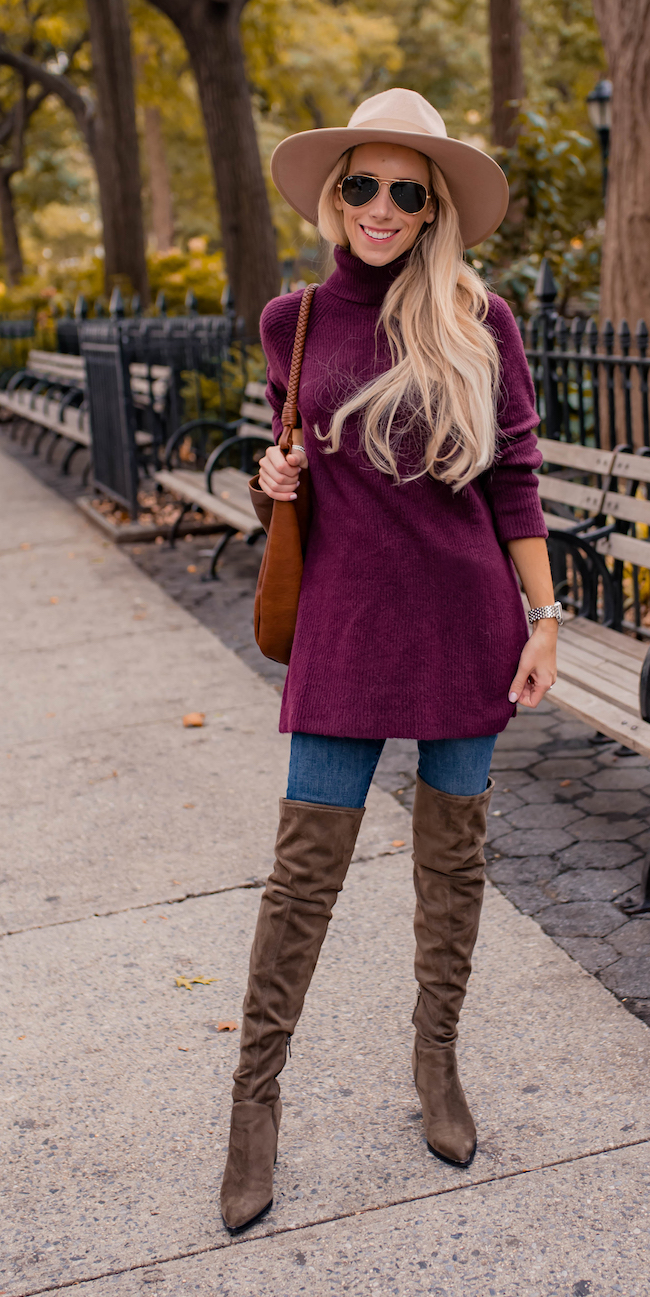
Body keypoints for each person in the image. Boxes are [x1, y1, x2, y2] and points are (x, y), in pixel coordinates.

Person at [219, 88, 560, 1233]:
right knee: (302, 874)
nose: (379, 205)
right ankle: (254, 1104)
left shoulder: (479, 319)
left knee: (452, 864)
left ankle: (438, 1065)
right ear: (333, 197)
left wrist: (546, 617)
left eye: (405, 192)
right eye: (360, 184)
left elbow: (512, 478)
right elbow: (296, 455)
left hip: (466, 622)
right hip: (347, 626)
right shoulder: (294, 322)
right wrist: (275, 479)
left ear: (432, 212)